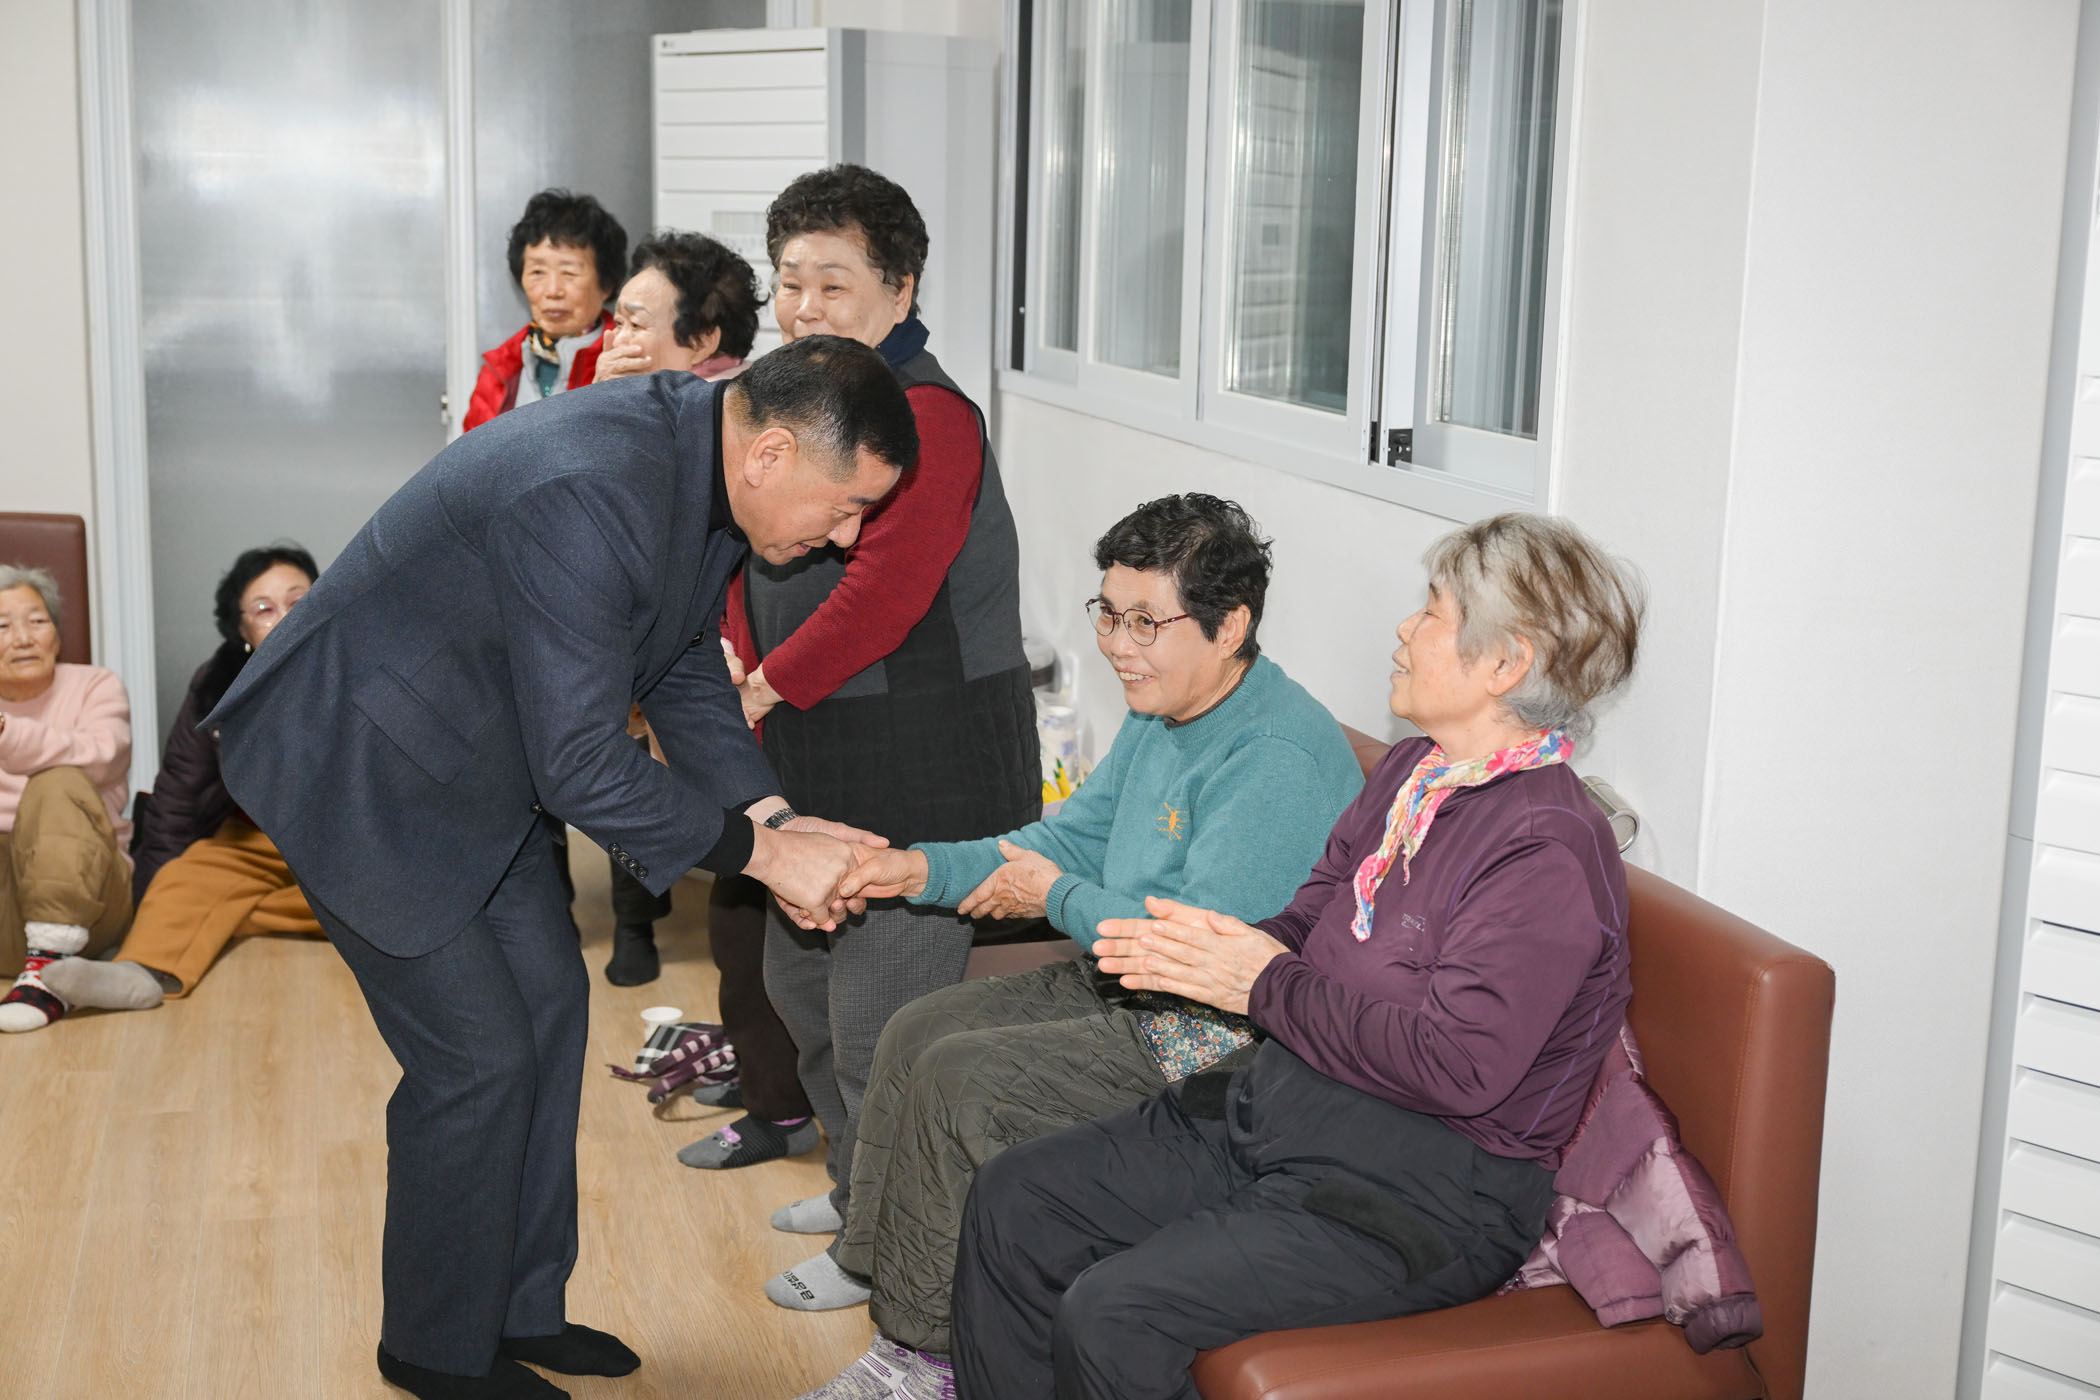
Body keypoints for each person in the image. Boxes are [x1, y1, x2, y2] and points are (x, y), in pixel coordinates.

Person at [208, 335, 919, 1400]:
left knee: (548, 1010)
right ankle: (434, 1350)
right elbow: (583, 762)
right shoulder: (591, 485)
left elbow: (679, 658)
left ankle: (518, 1309)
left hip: (468, 758)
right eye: (849, 505)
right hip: (361, 764)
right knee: (477, 1060)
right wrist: (769, 857)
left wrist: (772, 815)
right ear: (772, 453)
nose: (849, 535)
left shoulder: (701, 460)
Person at [947, 513, 1647, 1400]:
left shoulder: (1544, 849)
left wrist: (1261, 981)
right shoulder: (1414, 773)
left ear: (1506, 664)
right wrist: (1213, 949)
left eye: (1432, 611)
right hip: (1292, 1104)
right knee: (1018, 1197)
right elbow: (1313, 914)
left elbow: (1461, 1066)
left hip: (1427, 1188)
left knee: (1115, 1313)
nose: (1405, 628)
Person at [797, 495, 1365, 1397]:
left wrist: (1054, 896)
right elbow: (1068, 840)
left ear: (1230, 626)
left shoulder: (1273, 757)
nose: (1117, 645)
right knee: (917, 1030)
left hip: (1218, 1038)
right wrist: (915, 869)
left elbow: (1192, 953)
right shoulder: (1163, 709)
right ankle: (881, 1274)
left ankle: (925, 1361)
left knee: (959, 1079)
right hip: (1132, 981)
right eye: (1109, 613)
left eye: (1146, 622)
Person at [723, 165, 1039, 1295]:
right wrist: (737, 664)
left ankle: (882, 1250)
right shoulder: (789, 407)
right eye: (789, 282)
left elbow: (885, 595)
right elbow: (742, 556)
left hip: (926, 768)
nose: (803, 307)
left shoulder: (931, 416)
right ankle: (858, 1184)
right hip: (812, 750)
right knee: (803, 999)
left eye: (834, 283)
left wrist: (759, 689)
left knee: (882, 1027)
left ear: (901, 291)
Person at [590, 230, 769, 986]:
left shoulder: (742, 418)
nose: (618, 338)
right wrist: (602, 399)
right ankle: (635, 918)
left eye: (636, 323)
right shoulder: (626, 397)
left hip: (720, 638)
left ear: (702, 341)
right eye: (617, 321)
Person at [40, 546, 321, 1014]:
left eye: (299, 601)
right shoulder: (215, 684)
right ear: (242, 630)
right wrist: (148, 902)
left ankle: (233, 912)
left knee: (381, 898)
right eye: (264, 609)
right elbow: (178, 794)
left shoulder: (363, 666)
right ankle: (139, 974)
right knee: (183, 878)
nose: (285, 617)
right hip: (249, 841)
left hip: (344, 846)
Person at [0, 566, 133, 1032]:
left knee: (57, 782)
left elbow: (102, 756)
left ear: (57, 635)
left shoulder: (95, 686)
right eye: (2, 626)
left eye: (37, 621)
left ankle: (49, 974)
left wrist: (6, 732)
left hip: (90, 899)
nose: (23, 639)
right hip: (6, 906)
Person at [462, 189, 626, 431]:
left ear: (607, 284)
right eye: (537, 272)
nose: (553, 291)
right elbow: (470, 452)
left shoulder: (627, 361)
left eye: (569, 273)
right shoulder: (501, 367)